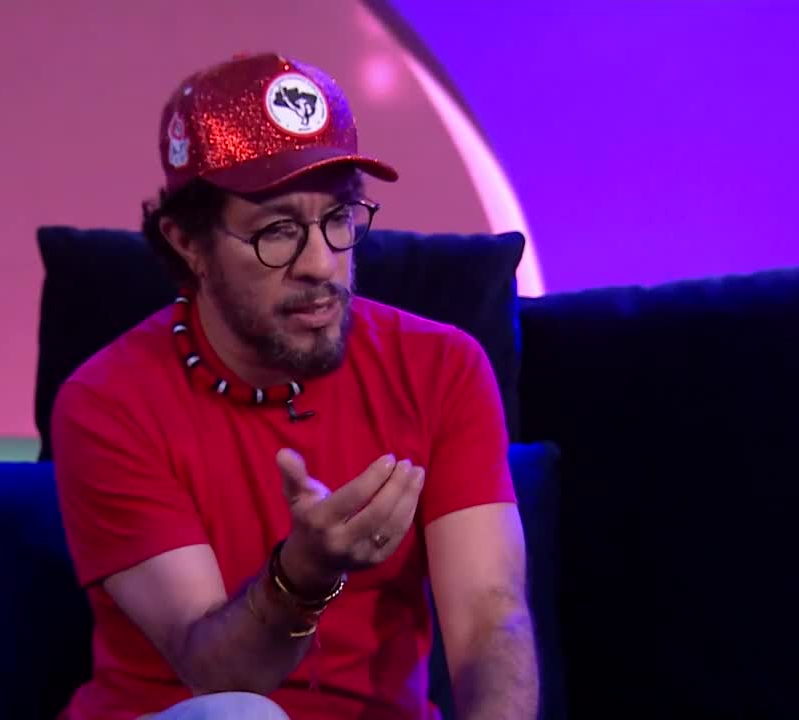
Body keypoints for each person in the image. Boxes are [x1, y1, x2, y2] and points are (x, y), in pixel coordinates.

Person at [52, 52, 538, 720]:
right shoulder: (105, 404)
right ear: (187, 242)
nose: (320, 264)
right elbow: (215, 676)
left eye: (338, 220)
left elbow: (489, 619)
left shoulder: (443, 368)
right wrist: (300, 579)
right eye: (277, 231)